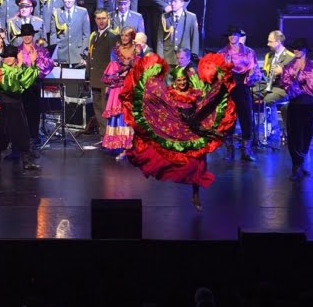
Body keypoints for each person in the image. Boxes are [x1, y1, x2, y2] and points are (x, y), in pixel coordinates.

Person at [120, 53, 237, 211]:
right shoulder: (169, 96)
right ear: (174, 82)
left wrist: (219, 80)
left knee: (198, 163)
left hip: (193, 132)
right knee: (164, 158)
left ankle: (195, 194)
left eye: (184, 80)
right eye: (179, 81)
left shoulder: (195, 94)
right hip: (176, 132)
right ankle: (132, 154)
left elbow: (207, 101)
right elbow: (154, 98)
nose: (182, 83)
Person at [0, 44, 41, 174]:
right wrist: (19, 66)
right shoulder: (1, 70)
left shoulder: (20, 68)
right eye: (5, 57)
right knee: (0, 135)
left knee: (22, 134)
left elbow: (25, 82)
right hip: (4, 106)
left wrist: (33, 62)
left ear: (15, 57)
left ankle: (26, 162)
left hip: (17, 106)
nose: (7, 59)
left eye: (10, 56)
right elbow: (11, 86)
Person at [281, 39, 313, 181]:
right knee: (294, 136)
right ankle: (296, 166)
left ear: (306, 50)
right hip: (295, 105)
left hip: (309, 105)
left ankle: (301, 163)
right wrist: (300, 84)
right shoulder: (288, 67)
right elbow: (287, 86)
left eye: (300, 48)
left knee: (306, 136)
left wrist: (302, 82)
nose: (296, 50)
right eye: (295, 48)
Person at [218, 25, 261, 161]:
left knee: (246, 118)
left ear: (239, 36)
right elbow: (218, 73)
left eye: (235, 35)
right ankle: (229, 151)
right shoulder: (222, 53)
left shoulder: (249, 52)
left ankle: (246, 151)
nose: (232, 37)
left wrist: (252, 76)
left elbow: (255, 70)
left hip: (243, 87)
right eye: (230, 35)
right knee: (229, 119)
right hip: (228, 88)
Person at [17, 24, 54, 154]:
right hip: (20, 89)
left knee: (34, 114)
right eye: (24, 34)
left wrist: (33, 73)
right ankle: (21, 140)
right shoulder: (17, 51)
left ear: (33, 35)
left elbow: (48, 66)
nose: (27, 37)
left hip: (34, 87)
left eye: (29, 34)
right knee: (21, 115)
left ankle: (33, 139)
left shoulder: (41, 51)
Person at [102, 27, 137, 158]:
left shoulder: (136, 49)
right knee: (117, 112)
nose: (124, 38)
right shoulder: (115, 51)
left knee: (128, 112)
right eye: (122, 35)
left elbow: (141, 66)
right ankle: (116, 144)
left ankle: (129, 144)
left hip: (131, 85)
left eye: (127, 35)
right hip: (117, 86)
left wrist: (131, 66)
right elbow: (113, 68)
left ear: (131, 36)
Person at [88, 10, 119, 136]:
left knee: (106, 108)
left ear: (108, 19)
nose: (101, 21)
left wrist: (110, 81)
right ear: (95, 20)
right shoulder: (94, 35)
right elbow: (91, 57)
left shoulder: (112, 36)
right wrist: (88, 75)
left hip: (105, 80)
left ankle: (109, 136)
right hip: (95, 78)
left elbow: (114, 61)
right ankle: (103, 134)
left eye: (104, 18)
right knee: (97, 108)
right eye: (99, 18)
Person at [262, 30, 295, 140]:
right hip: (270, 85)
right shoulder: (269, 55)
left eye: (270, 42)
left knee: (268, 99)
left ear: (279, 42)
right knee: (249, 94)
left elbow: (294, 77)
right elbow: (265, 73)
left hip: (284, 88)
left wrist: (283, 72)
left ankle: (274, 130)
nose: (268, 44)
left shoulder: (291, 57)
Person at [50, 0, 90, 66]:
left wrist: (84, 55)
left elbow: (86, 35)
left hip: (78, 54)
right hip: (61, 54)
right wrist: (54, 55)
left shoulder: (82, 12)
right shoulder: (56, 13)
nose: (68, 0)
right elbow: (53, 35)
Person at [156, 0, 199, 67]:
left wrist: (194, 56)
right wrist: (160, 57)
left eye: (175, 1)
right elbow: (160, 39)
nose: (172, 3)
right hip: (168, 57)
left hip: (184, 59)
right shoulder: (164, 17)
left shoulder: (191, 17)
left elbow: (194, 38)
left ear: (182, 3)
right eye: (172, 1)